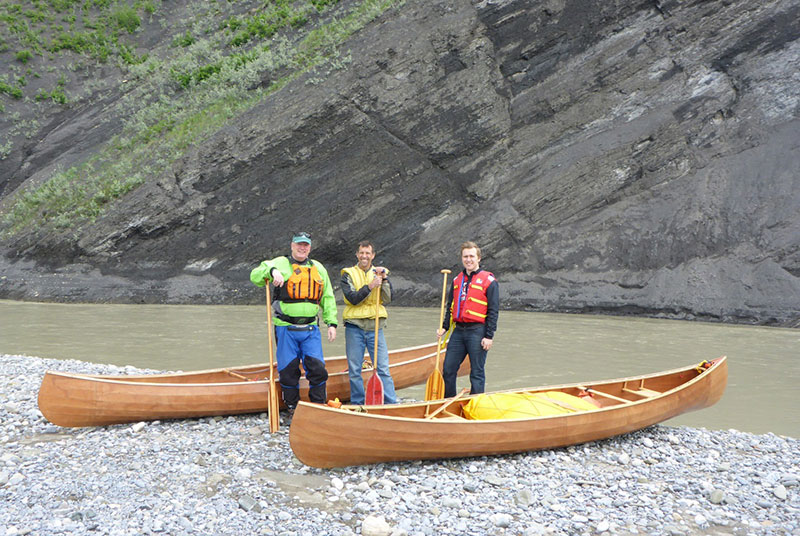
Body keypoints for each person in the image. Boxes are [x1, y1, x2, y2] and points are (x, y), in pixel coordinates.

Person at [250, 232, 338, 413]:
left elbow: (328, 297)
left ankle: (318, 406)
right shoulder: (280, 263)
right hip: (285, 328)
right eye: (299, 244)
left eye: (305, 245)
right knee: (288, 369)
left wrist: (332, 323)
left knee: (318, 368)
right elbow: (255, 275)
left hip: (310, 328)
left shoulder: (318, 268)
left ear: (310, 248)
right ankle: (292, 407)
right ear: (292, 245)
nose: (302, 248)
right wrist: (271, 271)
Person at [436, 241, 499, 398]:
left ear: (478, 258)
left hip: (477, 331)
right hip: (458, 331)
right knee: (449, 369)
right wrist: (444, 327)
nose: (468, 260)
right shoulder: (457, 280)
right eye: (465, 256)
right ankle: (448, 402)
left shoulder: (489, 281)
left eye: (472, 256)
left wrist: (489, 336)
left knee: (476, 371)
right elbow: (450, 305)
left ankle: (477, 405)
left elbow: (493, 310)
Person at [341, 240, 397, 404]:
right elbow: (352, 298)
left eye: (368, 253)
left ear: (372, 256)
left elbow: (388, 299)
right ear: (357, 255)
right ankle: (358, 403)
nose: (364, 256)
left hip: (375, 327)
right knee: (354, 369)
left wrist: (384, 280)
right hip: (354, 327)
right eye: (361, 253)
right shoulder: (347, 275)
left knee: (383, 368)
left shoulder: (379, 274)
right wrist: (371, 285)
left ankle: (391, 402)